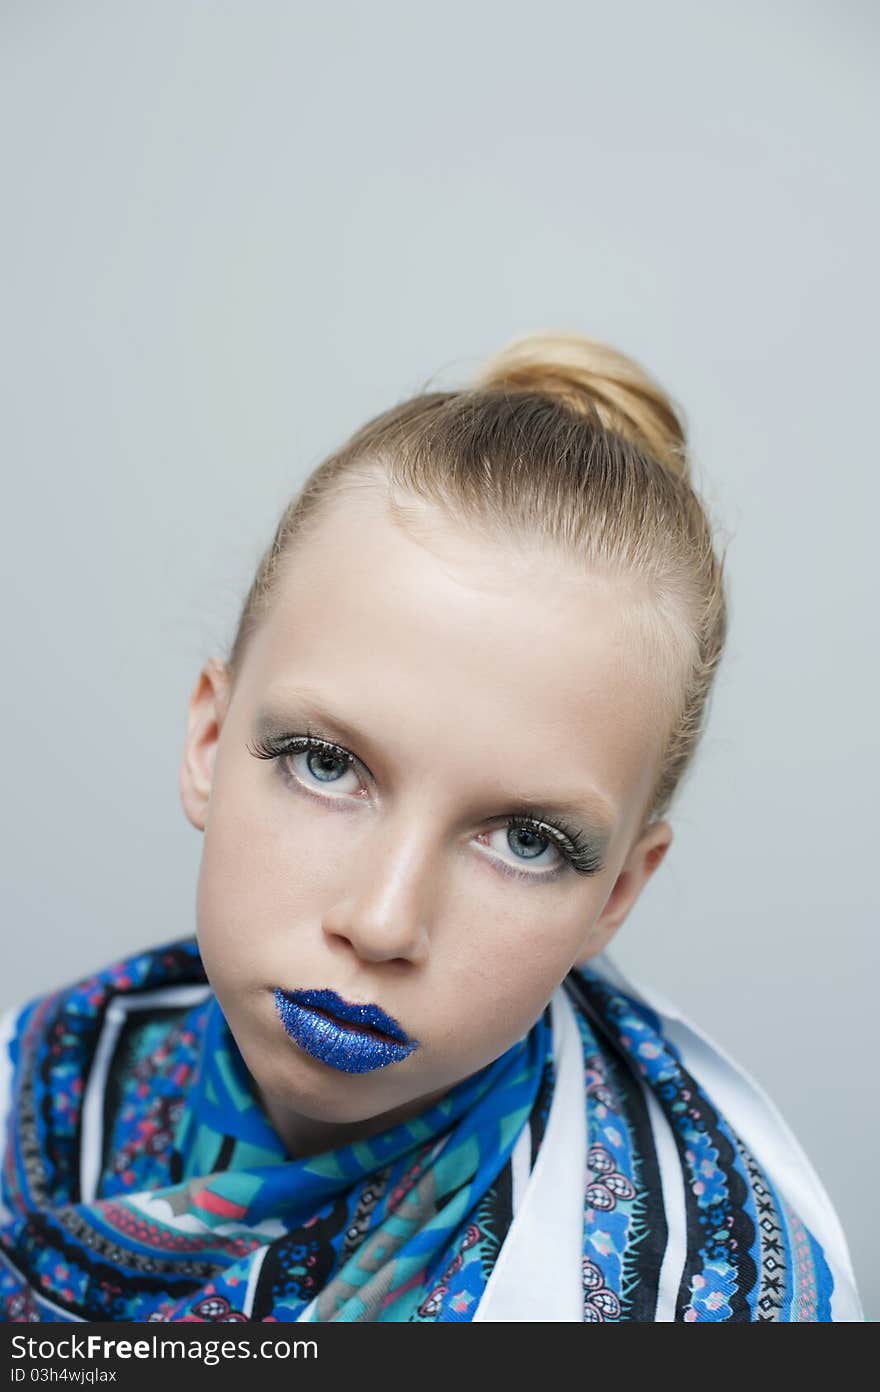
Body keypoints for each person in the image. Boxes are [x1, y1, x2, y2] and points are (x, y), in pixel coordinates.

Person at [0, 331, 864, 1323]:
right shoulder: (42, 1078)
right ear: (207, 739)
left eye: (527, 841)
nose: (381, 923)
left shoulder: (714, 1305)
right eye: (326, 765)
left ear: (617, 894)